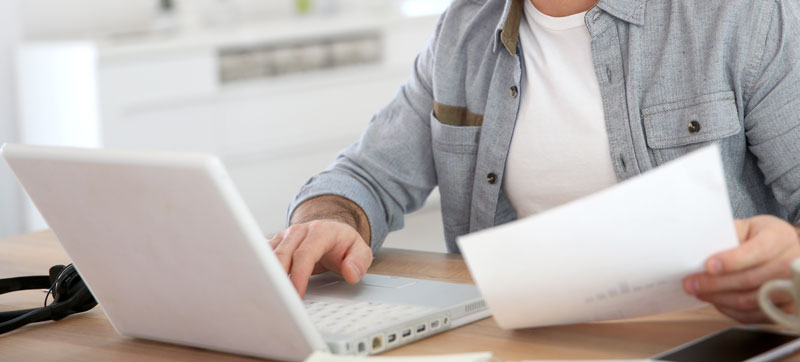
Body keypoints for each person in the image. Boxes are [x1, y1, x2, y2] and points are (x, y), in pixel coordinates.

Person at [268, 0, 800, 324]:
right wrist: (325, 222)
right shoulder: (463, 28)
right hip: (519, 337)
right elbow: (366, 177)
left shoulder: (744, 15)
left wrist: (788, 264)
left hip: (703, 334)